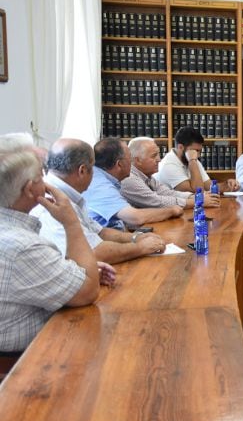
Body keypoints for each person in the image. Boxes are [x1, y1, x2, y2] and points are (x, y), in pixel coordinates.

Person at [0, 136, 104, 353]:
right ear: (31, 189)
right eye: (41, 175)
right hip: (32, 359)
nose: (47, 180)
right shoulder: (22, 247)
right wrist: (70, 222)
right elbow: (87, 291)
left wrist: (69, 271)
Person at [32, 138, 169, 264]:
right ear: (82, 170)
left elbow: (100, 232)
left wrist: (135, 238)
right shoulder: (50, 204)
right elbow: (94, 253)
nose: (95, 174)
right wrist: (139, 248)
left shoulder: (70, 194)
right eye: (93, 168)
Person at [82, 138, 183, 230]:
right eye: (130, 158)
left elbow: (123, 220)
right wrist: (172, 211)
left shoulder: (105, 178)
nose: (132, 163)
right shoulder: (101, 186)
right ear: (119, 164)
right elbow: (135, 217)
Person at [122, 137, 220, 209]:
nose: (159, 160)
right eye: (153, 156)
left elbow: (167, 193)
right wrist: (198, 201)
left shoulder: (147, 177)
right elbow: (157, 201)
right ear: (138, 160)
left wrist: (196, 197)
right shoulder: (129, 178)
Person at [156, 127, 238, 193]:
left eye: (200, 151)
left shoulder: (192, 159)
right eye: (195, 151)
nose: (198, 155)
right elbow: (198, 191)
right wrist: (192, 161)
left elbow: (208, 186)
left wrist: (227, 185)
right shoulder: (168, 165)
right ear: (180, 147)